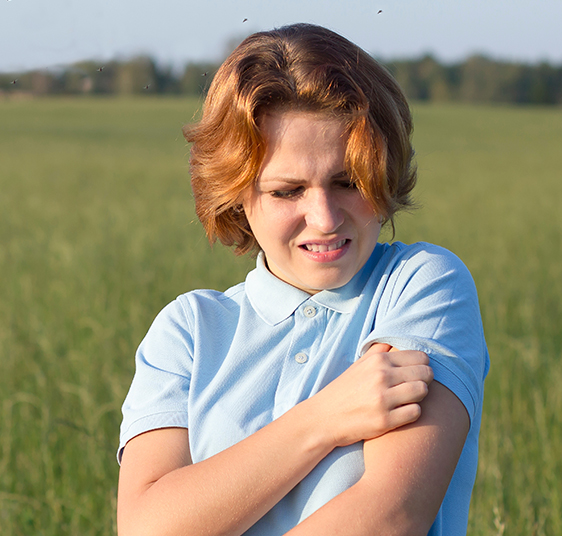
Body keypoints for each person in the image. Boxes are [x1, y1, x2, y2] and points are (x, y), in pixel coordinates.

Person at [116, 24, 489, 536]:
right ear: (236, 195)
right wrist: (324, 418)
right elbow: (146, 527)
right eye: (288, 190)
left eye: (348, 182)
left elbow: (391, 515)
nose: (325, 217)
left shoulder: (419, 284)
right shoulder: (189, 330)